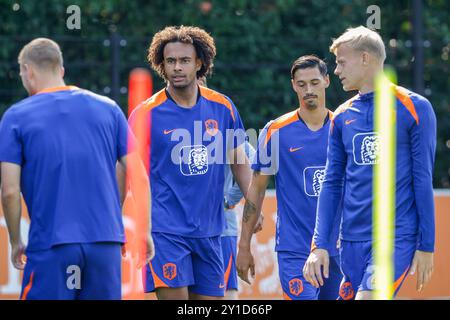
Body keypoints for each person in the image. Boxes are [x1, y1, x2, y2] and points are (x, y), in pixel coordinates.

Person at [0, 38, 152, 300]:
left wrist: (15, 241)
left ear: (28, 71)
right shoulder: (109, 109)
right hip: (105, 244)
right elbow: (139, 176)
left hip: (51, 243)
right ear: (61, 70)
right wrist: (144, 231)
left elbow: (10, 191)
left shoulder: (16, 116)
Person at [303, 26, 436, 300]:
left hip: (394, 237)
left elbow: (422, 178)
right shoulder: (341, 116)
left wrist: (427, 245)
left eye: (341, 62)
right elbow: (331, 184)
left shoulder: (414, 107)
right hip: (350, 242)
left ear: (365, 58)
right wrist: (320, 245)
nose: (336, 71)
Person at [132, 26, 252, 300]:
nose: (177, 67)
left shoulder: (223, 107)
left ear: (199, 63)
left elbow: (239, 161)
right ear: (161, 65)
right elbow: (126, 170)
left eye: (184, 60)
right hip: (165, 232)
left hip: (211, 232)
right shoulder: (145, 114)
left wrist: (252, 206)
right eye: (170, 61)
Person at [236, 55, 342, 300]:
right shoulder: (276, 131)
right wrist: (244, 246)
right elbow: (257, 190)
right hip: (295, 250)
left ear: (326, 81)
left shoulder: (344, 127)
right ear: (294, 85)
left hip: (338, 249)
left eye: (315, 82)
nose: (309, 90)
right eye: (302, 84)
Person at [197, 76, 258, 300]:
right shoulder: (172, 120)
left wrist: (229, 198)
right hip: (180, 230)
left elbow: (251, 159)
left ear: (202, 79)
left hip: (221, 227)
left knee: (226, 290)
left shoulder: (219, 119)